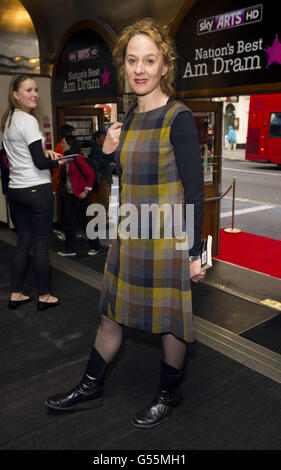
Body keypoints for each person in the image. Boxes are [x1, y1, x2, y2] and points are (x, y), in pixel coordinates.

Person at [45, 18, 206, 428]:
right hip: (131, 235)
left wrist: (194, 253)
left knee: (171, 324)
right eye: (132, 60)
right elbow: (105, 174)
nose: (139, 69)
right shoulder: (130, 119)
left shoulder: (179, 118)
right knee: (109, 314)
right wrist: (106, 151)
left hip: (169, 239)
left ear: (164, 66)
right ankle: (90, 387)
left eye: (149, 60)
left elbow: (194, 191)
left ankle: (169, 394)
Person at [1, 74, 68, 311]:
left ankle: (16, 293)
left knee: (23, 242)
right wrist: (57, 162)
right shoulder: (28, 121)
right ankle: (44, 296)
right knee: (40, 245)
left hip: (16, 191)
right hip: (36, 190)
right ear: (16, 94)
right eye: (28, 90)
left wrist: (45, 152)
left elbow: (23, 155)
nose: (35, 94)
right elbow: (39, 164)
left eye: (36, 90)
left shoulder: (9, 119)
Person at [57, 134, 100, 257]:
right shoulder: (67, 159)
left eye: (64, 143)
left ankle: (96, 246)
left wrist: (86, 191)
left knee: (84, 222)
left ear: (70, 145)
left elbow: (90, 175)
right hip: (70, 195)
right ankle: (70, 249)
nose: (62, 145)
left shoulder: (78, 158)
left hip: (80, 195)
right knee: (69, 222)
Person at [52, 124, 76, 241]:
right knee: (66, 209)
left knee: (67, 209)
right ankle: (62, 229)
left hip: (61, 181)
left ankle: (67, 230)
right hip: (62, 182)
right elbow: (61, 165)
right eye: (73, 134)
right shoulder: (62, 147)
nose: (74, 136)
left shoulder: (58, 146)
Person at [88, 131, 115, 224]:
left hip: (106, 177)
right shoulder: (96, 149)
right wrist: (108, 162)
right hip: (102, 178)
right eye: (103, 137)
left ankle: (103, 220)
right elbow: (98, 163)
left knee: (105, 199)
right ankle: (99, 221)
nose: (105, 139)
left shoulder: (103, 148)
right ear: (97, 139)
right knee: (102, 200)